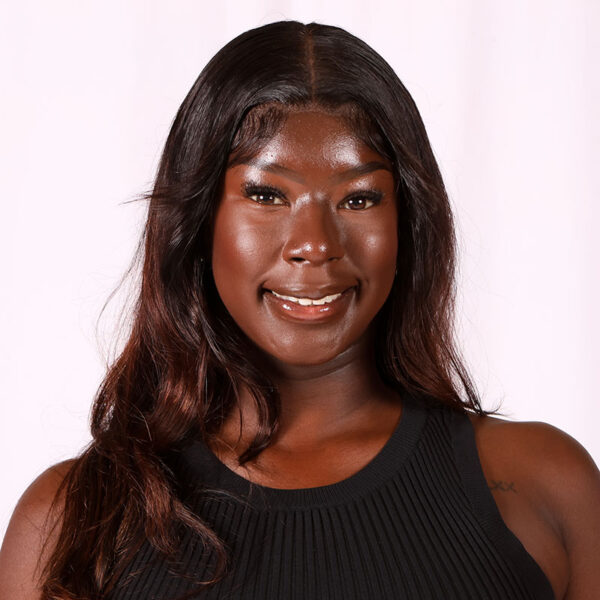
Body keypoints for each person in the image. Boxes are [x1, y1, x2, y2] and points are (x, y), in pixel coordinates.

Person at [1, 20, 598, 600]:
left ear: (408, 225)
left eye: (358, 199)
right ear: (199, 221)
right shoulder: (69, 520)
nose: (314, 244)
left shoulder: (544, 486)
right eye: (266, 194)